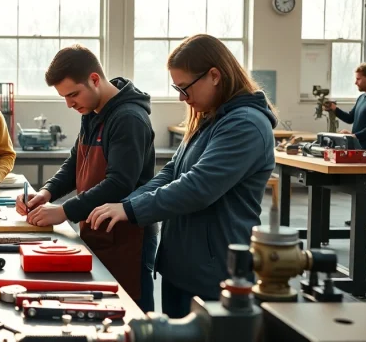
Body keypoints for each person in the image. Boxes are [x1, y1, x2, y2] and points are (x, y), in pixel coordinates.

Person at [87, 34, 277, 319]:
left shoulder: (245, 125)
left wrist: (129, 209)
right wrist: (127, 203)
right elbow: (172, 172)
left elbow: (197, 188)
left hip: (216, 274)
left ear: (214, 75)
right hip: (183, 266)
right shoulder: (210, 117)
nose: (181, 97)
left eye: (184, 87)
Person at [14, 44, 158, 312]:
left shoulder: (128, 118)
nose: (69, 104)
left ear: (94, 79)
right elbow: (74, 162)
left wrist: (64, 211)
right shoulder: (92, 113)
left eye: (73, 94)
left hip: (128, 238)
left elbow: (119, 184)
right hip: (98, 230)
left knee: (131, 314)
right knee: (101, 311)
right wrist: (45, 193)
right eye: (64, 97)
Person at [324, 62, 366, 252]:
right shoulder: (361, 98)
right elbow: (351, 118)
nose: (355, 82)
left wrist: (354, 136)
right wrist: (334, 109)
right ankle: (364, 219)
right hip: (358, 148)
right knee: (359, 186)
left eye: (358, 79)